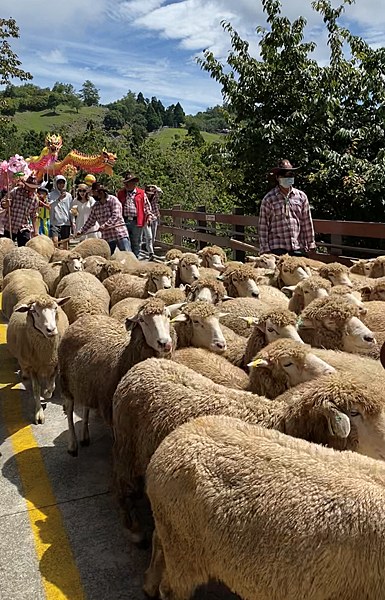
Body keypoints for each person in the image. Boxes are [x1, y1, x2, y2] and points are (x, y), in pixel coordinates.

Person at [258, 159, 315, 256]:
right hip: (277, 248)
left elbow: (306, 221)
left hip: (297, 246)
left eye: (290, 176)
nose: (288, 178)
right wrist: (265, 249)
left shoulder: (301, 197)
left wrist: (310, 243)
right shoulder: (269, 199)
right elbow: (263, 226)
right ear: (277, 177)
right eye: (284, 176)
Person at [75, 182, 131, 254]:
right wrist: (81, 231)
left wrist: (105, 225)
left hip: (119, 234)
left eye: (94, 193)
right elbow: (90, 221)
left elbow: (116, 216)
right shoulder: (96, 206)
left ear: (101, 193)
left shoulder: (113, 200)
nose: (93, 196)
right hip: (107, 237)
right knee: (107, 259)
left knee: (127, 255)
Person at [117, 173, 154, 258]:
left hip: (137, 220)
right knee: (124, 241)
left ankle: (135, 259)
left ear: (133, 183)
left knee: (136, 242)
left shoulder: (141, 193)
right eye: (125, 182)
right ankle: (127, 259)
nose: (126, 184)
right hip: (124, 220)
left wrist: (149, 216)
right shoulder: (120, 193)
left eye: (128, 182)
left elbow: (147, 206)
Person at [1, 174, 39, 246]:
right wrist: (6, 204)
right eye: (30, 187)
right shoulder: (15, 192)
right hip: (11, 225)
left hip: (24, 227)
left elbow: (34, 216)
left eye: (33, 188)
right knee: (6, 248)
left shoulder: (35, 199)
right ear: (26, 186)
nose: (31, 190)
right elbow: (3, 204)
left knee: (24, 249)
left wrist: (36, 232)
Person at [48, 175, 73, 250]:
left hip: (66, 222)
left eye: (63, 183)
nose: (61, 185)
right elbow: (49, 206)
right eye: (59, 183)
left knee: (65, 244)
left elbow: (70, 209)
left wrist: (73, 221)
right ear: (55, 183)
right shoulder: (50, 195)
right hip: (55, 222)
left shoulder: (69, 196)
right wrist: (58, 199)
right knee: (55, 242)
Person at [142, 184, 162, 260]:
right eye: (148, 194)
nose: (149, 195)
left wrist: (155, 187)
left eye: (151, 194)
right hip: (146, 219)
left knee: (153, 237)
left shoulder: (154, 199)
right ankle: (151, 252)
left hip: (154, 218)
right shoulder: (143, 198)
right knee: (149, 237)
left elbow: (160, 192)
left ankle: (148, 248)